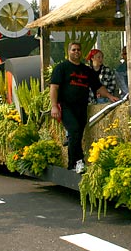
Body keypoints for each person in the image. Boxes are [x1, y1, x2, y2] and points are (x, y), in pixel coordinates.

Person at [50, 42, 119, 172]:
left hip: (82, 107)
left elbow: (98, 87)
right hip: (66, 106)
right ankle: (76, 162)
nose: (76, 52)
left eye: (78, 50)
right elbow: (54, 88)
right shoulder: (61, 68)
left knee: (77, 135)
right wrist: (54, 106)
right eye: (74, 50)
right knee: (74, 130)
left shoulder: (86, 70)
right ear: (69, 52)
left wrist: (110, 96)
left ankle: (75, 164)